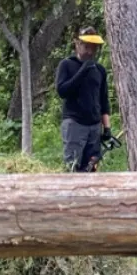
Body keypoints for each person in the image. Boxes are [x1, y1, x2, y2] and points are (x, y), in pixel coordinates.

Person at [55, 26, 113, 172]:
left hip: (94, 126)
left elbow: (103, 100)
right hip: (75, 124)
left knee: (91, 167)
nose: (90, 51)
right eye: (86, 46)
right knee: (73, 165)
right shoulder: (67, 65)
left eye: (93, 48)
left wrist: (107, 128)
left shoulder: (99, 69)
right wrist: (82, 71)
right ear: (77, 44)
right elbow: (62, 91)